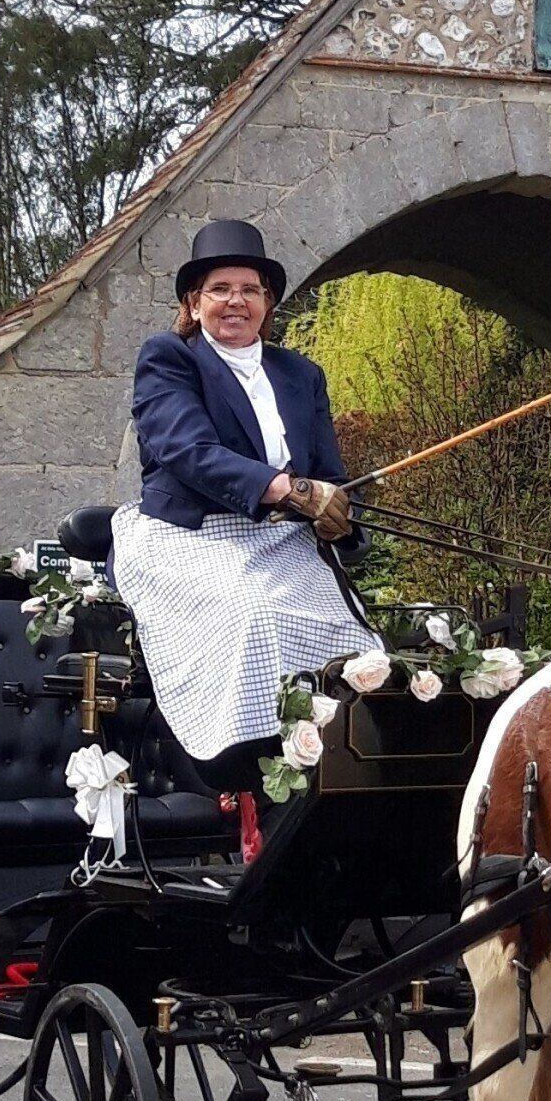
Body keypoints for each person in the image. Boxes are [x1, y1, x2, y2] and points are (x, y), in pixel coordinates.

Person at [109, 219, 373, 769]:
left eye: (250, 289)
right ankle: (240, 765)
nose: (236, 301)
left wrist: (338, 514)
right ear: (194, 300)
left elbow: (329, 472)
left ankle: (339, 766)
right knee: (256, 615)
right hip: (189, 534)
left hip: (281, 542)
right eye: (220, 289)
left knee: (354, 640)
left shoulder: (301, 373)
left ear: (267, 301)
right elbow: (188, 450)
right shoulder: (169, 358)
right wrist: (284, 487)